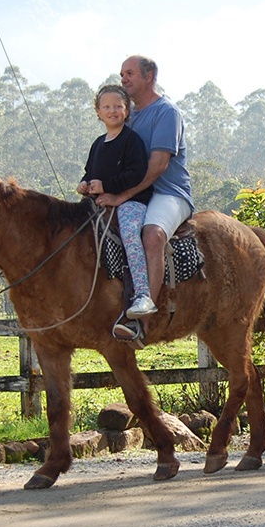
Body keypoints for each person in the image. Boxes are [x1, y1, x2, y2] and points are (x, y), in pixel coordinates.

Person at [94, 55, 194, 328]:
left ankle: (142, 313)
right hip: (136, 194)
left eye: (129, 74)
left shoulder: (166, 112)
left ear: (148, 76)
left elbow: (158, 165)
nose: (123, 79)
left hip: (168, 193)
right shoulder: (128, 115)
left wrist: (121, 195)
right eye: (122, 74)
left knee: (152, 235)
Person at [76, 84, 155, 340]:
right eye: (107, 107)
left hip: (131, 203)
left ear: (127, 110)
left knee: (130, 232)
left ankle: (142, 293)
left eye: (118, 106)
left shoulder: (131, 141)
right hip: (100, 205)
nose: (113, 111)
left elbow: (137, 173)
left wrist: (108, 187)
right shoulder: (98, 144)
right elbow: (91, 172)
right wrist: (85, 184)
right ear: (98, 112)